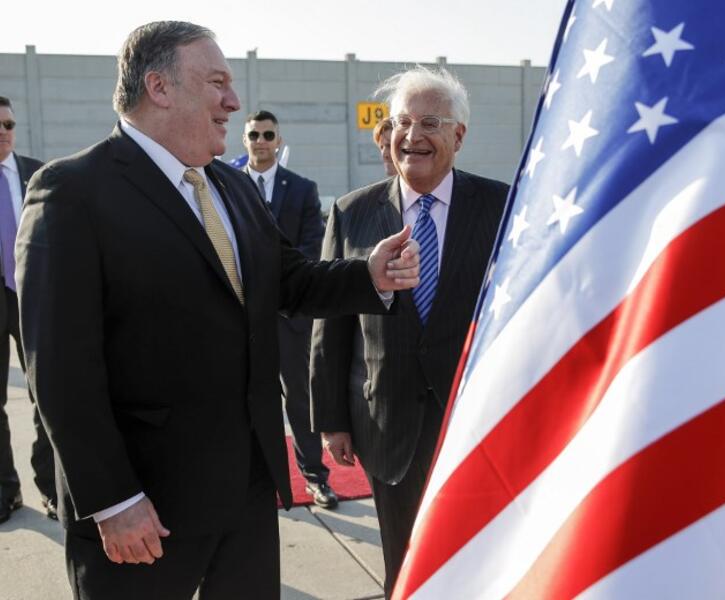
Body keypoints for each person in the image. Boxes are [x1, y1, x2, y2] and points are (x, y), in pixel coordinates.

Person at [14, 21, 418, 599]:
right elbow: (58, 369)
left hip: (248, 494)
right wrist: (112, 500)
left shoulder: (232, 188)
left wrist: (368, 275)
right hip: (145, 508)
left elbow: (290, 281)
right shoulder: (73, 191)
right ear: (159, 86)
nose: (233, 101)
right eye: (218, 83)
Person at [309, 65, 509, 596]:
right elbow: (331, 325)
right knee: (405, 560)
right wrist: (331, 420)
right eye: (401, 122)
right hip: (386, 423)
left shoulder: (501, 207)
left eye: (430, 123)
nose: (412, 137)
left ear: (458, 135)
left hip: (474, 423)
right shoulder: (352, 212)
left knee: (479, 555)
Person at [241, 109, 337, 508]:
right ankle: (251, 480)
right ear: (244, 140)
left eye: (268, 134)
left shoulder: (301, 189)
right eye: (254, 135)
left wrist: (274, 288)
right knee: (243, 401)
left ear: (278, 140)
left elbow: (311, 247)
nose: (261, 141)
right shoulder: (223, 185)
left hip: (287, 318)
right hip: (240, 317)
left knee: (299, 399)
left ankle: (315, 476)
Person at [0, 95, 56, 524]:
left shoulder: (37, 173)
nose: (4, 132)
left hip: (32, 295)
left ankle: (52, 488)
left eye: (9, 124)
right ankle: (6, 490)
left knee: (47, 396)